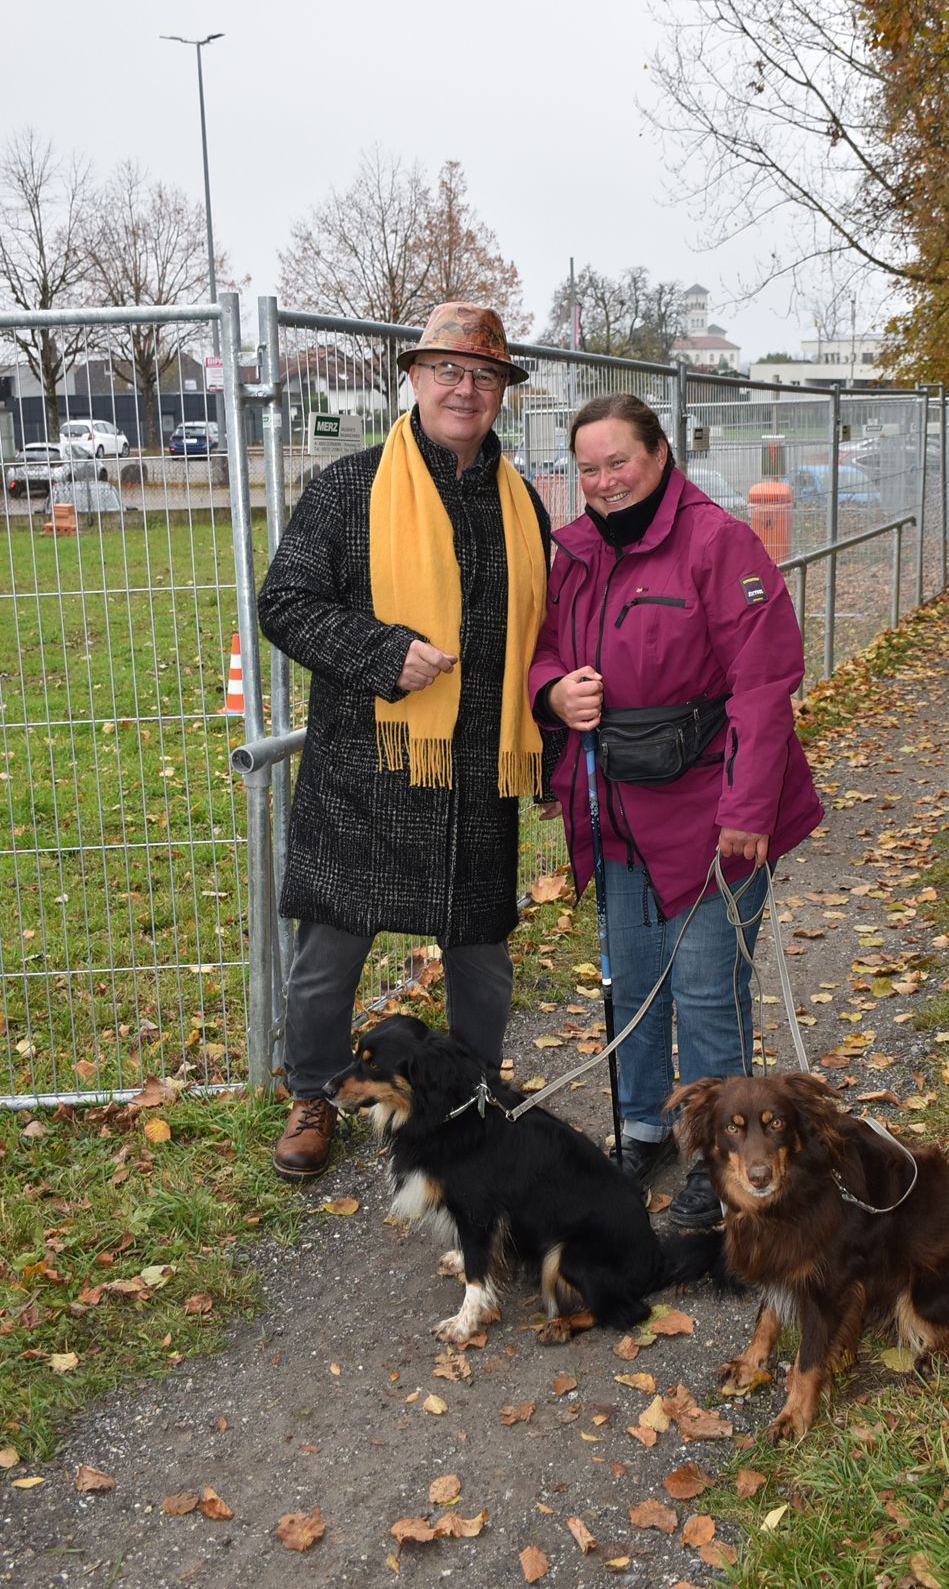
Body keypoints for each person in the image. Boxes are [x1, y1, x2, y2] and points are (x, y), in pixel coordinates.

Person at [259, 303, 550, 1180]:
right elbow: (286, 603)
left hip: (476, 773)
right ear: (415, 379)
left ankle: (472, 1094)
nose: (466, 389)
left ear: (502, 391)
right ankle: (315, 1093)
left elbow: (544, 632)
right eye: (448, 370)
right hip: (368, 766)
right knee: (328, 958)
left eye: (485, 375)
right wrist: (384, 653)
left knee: (482, 958)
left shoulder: (521, 502)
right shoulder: (347, 488)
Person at [529, 394, 823, 1228]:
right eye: (589, 468)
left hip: (710, 809)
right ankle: (643, 1126)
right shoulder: (574, 553)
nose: (604, 481)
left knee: (705, 989)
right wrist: (553, 691)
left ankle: (720, 1162)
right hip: (616, 810)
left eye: (618, 461)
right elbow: (543, 649)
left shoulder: (718, 544)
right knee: (632, 983)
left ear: (659, 455)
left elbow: (764, 682)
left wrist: (748, 807)